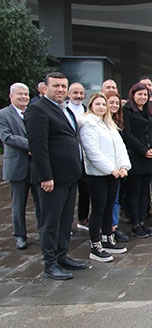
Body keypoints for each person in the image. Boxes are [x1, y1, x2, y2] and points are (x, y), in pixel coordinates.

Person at [25, 72, 87, 280]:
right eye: (56, 86)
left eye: (63, 86)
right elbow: (38, 146)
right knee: (51, 222)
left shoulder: (62, 109)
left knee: (64, 221)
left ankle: (62, 256)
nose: (60, 90)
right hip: (52, 179)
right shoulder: (37, 109)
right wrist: (46, 177)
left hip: (69, 176)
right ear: (45, 88)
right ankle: (50, 263)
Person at [78, 93, 130, 262]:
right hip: (98, 175)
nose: (101, 107)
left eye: (103, 104)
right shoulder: (88, 124)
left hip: (114, 173)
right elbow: (92, 152)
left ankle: (108, 239)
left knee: (109, 207)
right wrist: (111, 169)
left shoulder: (109, 124)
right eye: (98, 104)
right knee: (98, 210)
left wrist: (123, 166)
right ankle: (95, 245)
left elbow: (120, 147)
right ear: (91, 105)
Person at [0, 83, 41, 249]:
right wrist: (32, 145)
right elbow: (7, 137)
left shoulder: (33, 112)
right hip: (17, 165)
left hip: (36, 166)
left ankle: (43, 232)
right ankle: (19, 235)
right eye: (20, 94)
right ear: (11, 96)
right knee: (18, 204)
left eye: (26, 94)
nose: (24, 97)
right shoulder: (3, 114)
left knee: (41, 202)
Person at [122, 82, 152, 239]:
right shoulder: (127, 110)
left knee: (145, 193)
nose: (143, 97)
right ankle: (135, 224)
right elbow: (128, 134)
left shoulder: (149, 111)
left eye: (145, 94)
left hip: (150, 157)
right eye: (140, 94)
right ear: (133, 95)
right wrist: (143, 150)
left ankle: (143, 223)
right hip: (136, 156)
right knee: (135, 192)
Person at [105, 91, 129, 243]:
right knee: (105, 200)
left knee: (115, 199)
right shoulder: (99, 122)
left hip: (119, 166)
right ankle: (107, 229)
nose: (114, 105)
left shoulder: (119, 120)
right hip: (104, 167)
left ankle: (113, 226)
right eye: (111, 102)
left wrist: (123, 166)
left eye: (116, 103)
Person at [67, 82, 90, 231]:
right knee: (67, 195)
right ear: (69, 94)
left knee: (85, 191)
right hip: (69, 158)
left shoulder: (87, 110)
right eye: (75, 93)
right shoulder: (64, 110)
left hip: (84, 157)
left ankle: (83, 219)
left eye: (81, 93)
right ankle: (66, 225)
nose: (79, 96)